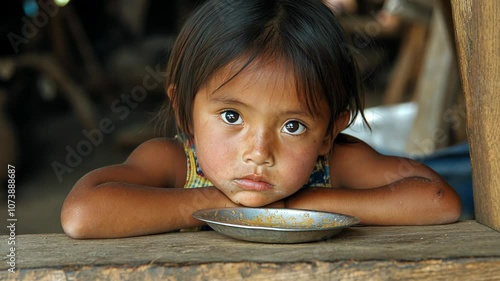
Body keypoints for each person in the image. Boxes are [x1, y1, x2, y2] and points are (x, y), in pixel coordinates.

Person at [61, 0, 461, 239]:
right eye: (232, 116)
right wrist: (215, 204)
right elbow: (82, 215)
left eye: (293, 126)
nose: (259, 153)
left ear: (328, 132)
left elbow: (438, 200)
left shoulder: (331, 165)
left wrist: (304, 204)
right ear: (185, 112)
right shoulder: (175, 163)